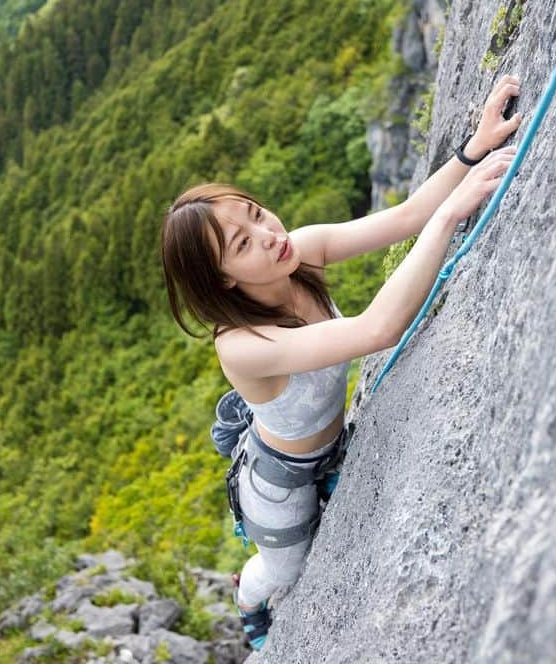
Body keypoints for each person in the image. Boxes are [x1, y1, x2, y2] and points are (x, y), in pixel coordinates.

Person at [160, 75, 523, 650]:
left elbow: (405, 217)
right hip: (277, 485)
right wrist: (452, 214)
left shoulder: (297, 253)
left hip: (325, 448)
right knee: (284, 571)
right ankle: (246, 597)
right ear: (224, 278)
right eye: (242, 243)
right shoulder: (241, 344)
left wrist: (472, 150)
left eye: (255, 213)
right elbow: (377, 329)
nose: (267, 234)